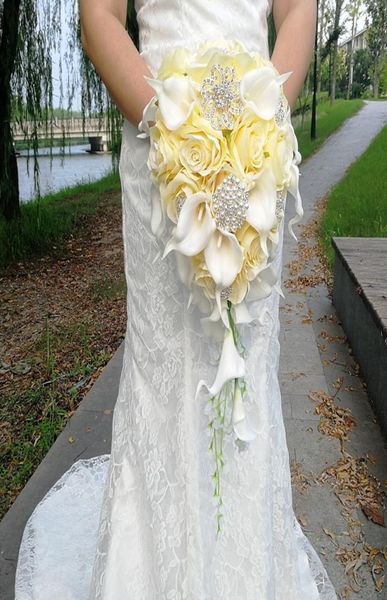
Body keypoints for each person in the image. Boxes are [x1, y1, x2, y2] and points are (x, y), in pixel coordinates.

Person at [14, 1, 339, 598]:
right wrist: (173, 126)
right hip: (158, 146)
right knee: (163, 363)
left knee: (245, 353)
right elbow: (101, 19)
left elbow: (297, 10)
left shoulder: (262, 136)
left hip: (255, 155)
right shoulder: (161, 131)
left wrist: (266, 126)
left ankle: (246, 567)